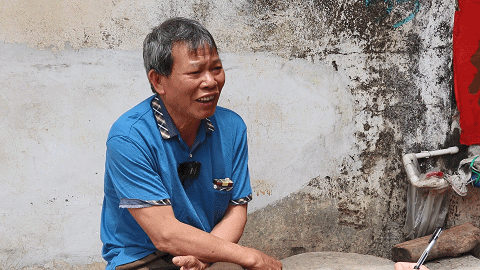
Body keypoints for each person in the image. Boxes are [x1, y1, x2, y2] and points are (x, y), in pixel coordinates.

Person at [100, 17, 282, 270]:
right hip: (144, 258)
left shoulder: (232, 128)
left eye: (216, 68)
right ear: (158, 81)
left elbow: (235, 210)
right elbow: (165, 234)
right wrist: (248, 256)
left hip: (207, 251)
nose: (210, 82)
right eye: (195, 72)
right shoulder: (130, 138)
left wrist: (204, 258)